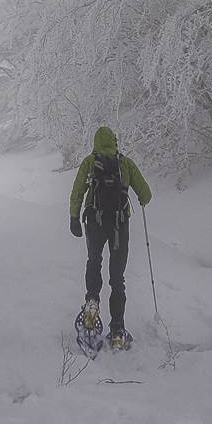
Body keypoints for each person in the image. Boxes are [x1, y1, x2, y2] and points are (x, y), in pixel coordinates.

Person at [68, 126, 152, 350]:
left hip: (94, 222)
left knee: (94, 262)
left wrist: (74, 217)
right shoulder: (125, 164)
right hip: (118, 225)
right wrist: (139, 198)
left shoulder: (89, 163)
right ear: (114, 142)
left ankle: (92, 304)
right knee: (117, 278)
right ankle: (117, 332)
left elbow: (77, 191)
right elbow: (146, 194)